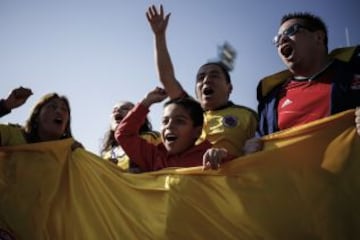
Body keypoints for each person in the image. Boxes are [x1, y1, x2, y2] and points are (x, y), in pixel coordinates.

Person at [146, 5, 258, 157]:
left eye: (214, 75)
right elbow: (167, 78)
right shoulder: (188, 113)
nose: (206, 80)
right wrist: (159, 35)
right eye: (200, 77)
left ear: (229, 87)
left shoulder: (248, 116)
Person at [244, 12, 360, 154]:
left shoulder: (355, 71)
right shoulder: (270, 100)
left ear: (318, 37)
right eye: (277, 39)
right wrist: (251, 149)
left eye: (290, 31)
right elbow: (260, 139)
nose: (282, 40)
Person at [115, 87, 234, 172]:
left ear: (197, 132)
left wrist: (222, 158)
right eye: (165, 121)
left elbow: (244, 176)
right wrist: (146, 102)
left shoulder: (208, 158)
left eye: (180, 121)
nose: (169, 126)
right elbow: (123, 134)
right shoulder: (154, 157)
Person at [0, 86, 80, 149]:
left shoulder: (72, 153)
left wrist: (79, 154)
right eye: (53, 106)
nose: (59, 111)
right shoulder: (12, 136)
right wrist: (5, 105)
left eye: (64, 109)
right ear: (37, 117)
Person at [100, 101, 161, 172]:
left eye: (125, 108)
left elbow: (166, 161)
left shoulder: (151, 137)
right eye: (114, 110)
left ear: (140, 118)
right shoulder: (106, 155)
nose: (117, 111)